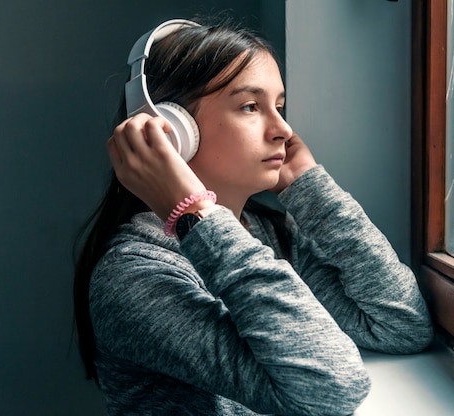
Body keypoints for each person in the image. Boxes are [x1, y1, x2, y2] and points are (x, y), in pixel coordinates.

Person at [73, 15, 433, 416]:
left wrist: (308, 188)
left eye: (279, 106)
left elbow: (401, 324)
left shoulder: (268, 235)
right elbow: (331, 389)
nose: (283, 129)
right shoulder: (133, 274)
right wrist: (194, 212)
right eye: (250, 106)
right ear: (171, 130)